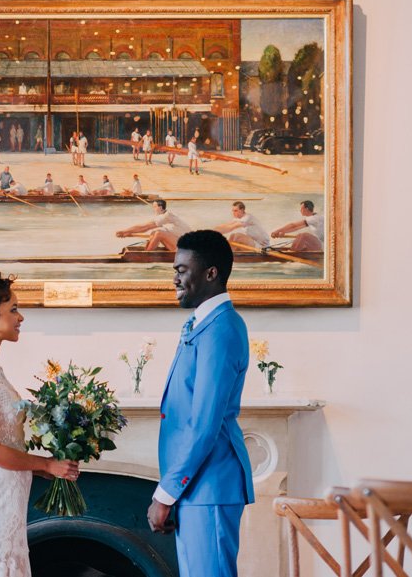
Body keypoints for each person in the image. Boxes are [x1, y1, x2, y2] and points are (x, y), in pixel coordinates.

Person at [0, 271, 80, 576]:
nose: (20, 317)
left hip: (8, 501)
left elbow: (7, 443)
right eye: (13, 309)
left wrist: (41, 467)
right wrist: (46, 464)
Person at [147, 230, 254, 576]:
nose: (175, 278)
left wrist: (165, 494)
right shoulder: (204, 324)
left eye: (182, 270)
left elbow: (204, 425)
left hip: (211, 484)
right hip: (198, 487)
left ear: (211, 273)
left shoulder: (222, 329)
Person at [115, 199, 191, 252]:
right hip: (180, 245)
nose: (153, 209)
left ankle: (146, 254)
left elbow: (145, 227)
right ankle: (147, 251)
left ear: (160, 207)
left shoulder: (167, 216)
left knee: (158, 233)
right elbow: (149, 231)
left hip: (186, 248)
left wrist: (124, 231)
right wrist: (129, 233)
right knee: (155, 232)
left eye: (154, 207)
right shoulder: (163, 218)